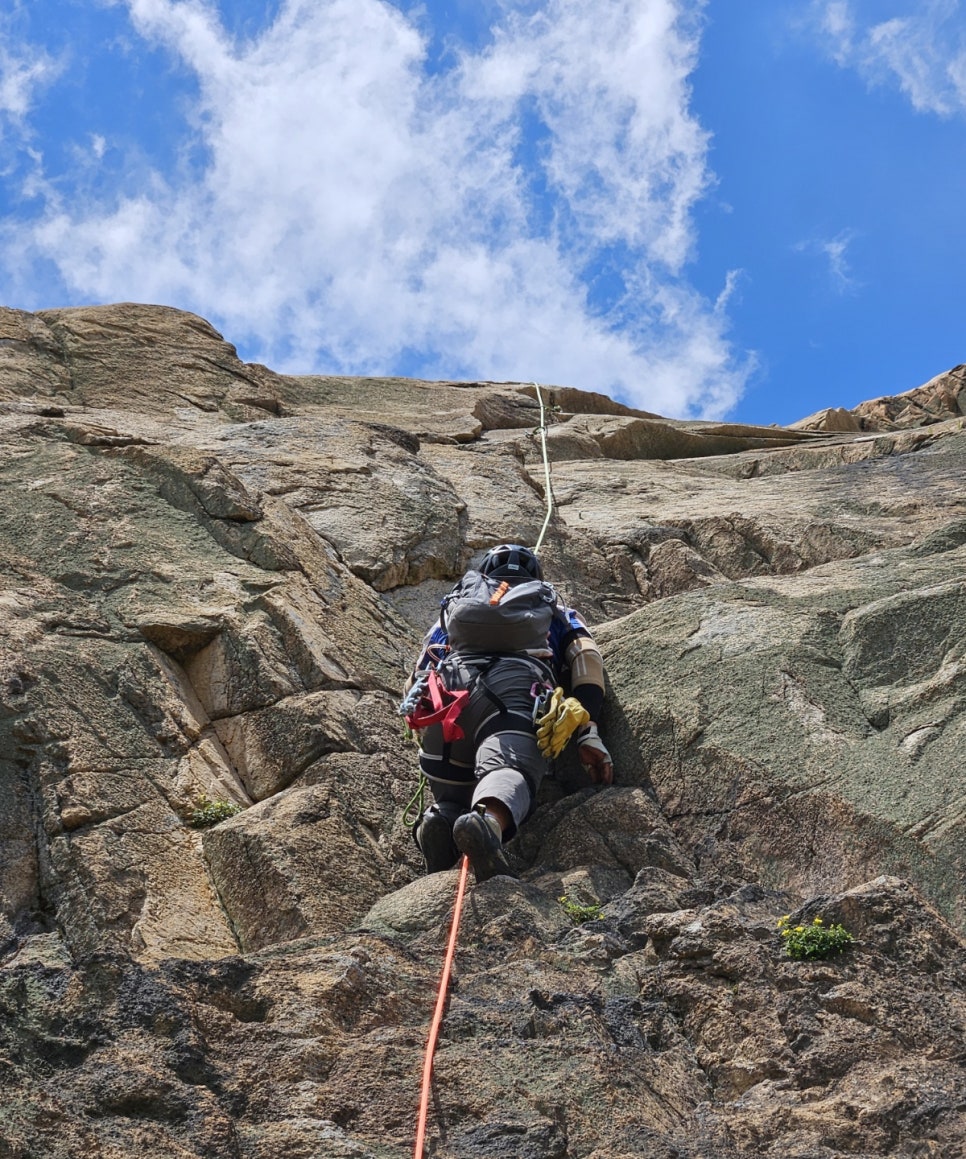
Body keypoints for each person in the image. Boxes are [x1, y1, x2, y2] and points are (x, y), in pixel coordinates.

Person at [406, 544, 613, 882]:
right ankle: (486, 824)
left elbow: (420, 673)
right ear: (536, 580)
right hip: (514, 690)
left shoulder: (457, 607)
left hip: (448, 696)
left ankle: (440, 820)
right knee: (510, 766)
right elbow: (585, 657)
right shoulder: (553, 606)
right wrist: (587, 726)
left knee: (452, 791)